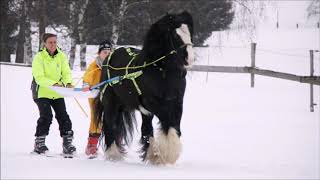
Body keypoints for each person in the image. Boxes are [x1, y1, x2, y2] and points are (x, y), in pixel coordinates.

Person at [31, 33, 76, 155]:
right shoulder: (39, 57)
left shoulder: (61, 56)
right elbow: (39, 77)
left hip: (57, 92)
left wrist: (68, 83)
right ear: (44, 44)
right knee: (46, 116)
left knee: (63, 116)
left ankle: (67, 144)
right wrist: (53, 83)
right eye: (50, 42)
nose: (53, 45)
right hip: (42, 92)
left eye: (55, 42)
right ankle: (39, 143)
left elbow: (66, 72)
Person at [82, 40, 113, 157]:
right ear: (99, 53)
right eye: (104, 52)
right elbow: (88, 75)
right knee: (97, 120)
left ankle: (116, 143)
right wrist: (86, 84)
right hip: (95, 96)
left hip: (109, 96)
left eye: (109, 52)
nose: (107, 54)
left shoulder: (112, 65)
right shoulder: (95, 65)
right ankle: (92, 145)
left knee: (112, 118)